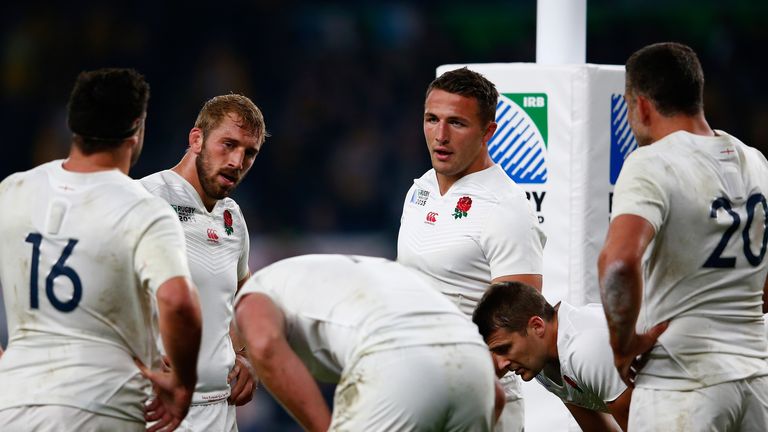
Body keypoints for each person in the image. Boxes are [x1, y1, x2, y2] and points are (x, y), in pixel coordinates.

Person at [0, 68, 202, 431]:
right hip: (105, 404)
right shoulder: (144, 209)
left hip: (14, 404)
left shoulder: (12, 191)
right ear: (137, 128)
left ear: (72, 123)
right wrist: (183, 384)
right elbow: (178, 302)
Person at [599, 41, 768, 431]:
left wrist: (623, 345)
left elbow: (618, 262)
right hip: (755, 379)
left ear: (640, 105)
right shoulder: (755, 161)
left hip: (683, 383)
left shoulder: (652, 163)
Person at [397, 66, 546, 431]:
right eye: (432, 119)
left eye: (457, 123)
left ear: (488, 132)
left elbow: (517, 325)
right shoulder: (420, 189)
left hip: (478, 400)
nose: (440, 135)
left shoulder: (506, 207)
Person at [234, 254, 503, 431]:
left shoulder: (251, 294)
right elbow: (497, 397)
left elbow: (265, 343)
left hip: (396, 361)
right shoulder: (370, 274)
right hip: (476, 368)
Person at [140, 93, 265, 431]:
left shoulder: (232, 218)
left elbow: (241, 292)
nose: (237, 161)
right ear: (196, 139)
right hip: (156, 410)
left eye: (249, 153)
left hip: (220, 412)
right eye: (228, 144)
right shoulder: (144, 200)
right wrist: (134, 359)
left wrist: (246, 355)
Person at [473, 282, 630, 431]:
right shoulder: (542, 361)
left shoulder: (585, 349)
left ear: (537, 326)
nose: (500, 364)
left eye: (505, 348)